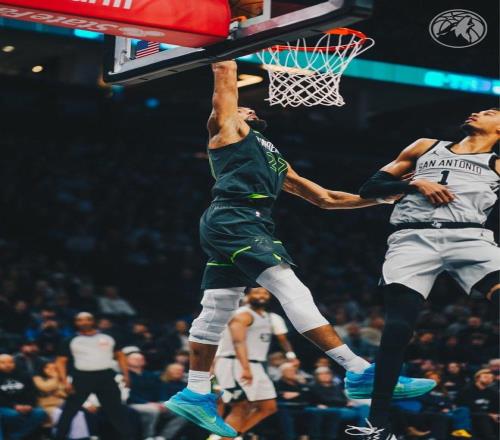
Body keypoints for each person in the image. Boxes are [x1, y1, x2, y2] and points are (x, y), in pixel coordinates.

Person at [164, 59, 433, 438]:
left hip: (241, 222)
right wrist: (231, 46)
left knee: (216, 308)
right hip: (237, 217)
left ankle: (195, 392)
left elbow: (325, 198)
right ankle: (357, 370)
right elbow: (224, 74)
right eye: (242, 105)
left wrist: (381, 198)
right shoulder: (226, 129)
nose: (247, 108)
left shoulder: (272, 156)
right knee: (292, 290)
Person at [346, 108, 500, 438]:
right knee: (397, 329)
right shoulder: (425, 146)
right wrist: (417, 183)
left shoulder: (496, 163)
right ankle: (377, 425)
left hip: (470, 237)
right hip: (412, 238)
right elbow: (370, 188)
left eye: (489, 112)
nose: (476, 112)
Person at [210, 287, 295, 440]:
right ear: (247, 296)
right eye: (256, 292)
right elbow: (238, 342)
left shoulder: (270, 317)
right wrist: (245, 368)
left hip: (256, 364)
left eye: (265, 292)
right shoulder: (242, 315)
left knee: (268, 407)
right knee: (240, 405)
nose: (261, 295)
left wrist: (291, 355)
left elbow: (283, 339)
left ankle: (231, 436)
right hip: (234, 363)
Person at [54, 311, 133, 440]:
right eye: (80, 320)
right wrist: (64, 381)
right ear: (76, 323)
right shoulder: (70, 340)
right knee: (70, 411)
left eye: (88, 319)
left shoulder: (108, 337)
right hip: (82, 377)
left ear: (93, 321)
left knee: (117, 411)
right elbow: (60, 362)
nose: (84, 322)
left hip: (106, 376)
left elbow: (120, 355)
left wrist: (126, 374)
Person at [126, 351, 187, 440]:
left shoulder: (150, 375)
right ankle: (148, 436)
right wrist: (147, 403)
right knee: (153, 410)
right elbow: (128, 394)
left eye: (141, 358)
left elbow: (160, 389)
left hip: (155, 403)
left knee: (183, 412)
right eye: (135, 359)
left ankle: (163, 437)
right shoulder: (125, 376)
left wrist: (163, 402)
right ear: (127, 360)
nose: (138, 360)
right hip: (134, 403)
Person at [306, 366, 369, 440]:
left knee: (364, 407)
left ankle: (362, 434)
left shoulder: (336, 386)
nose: (325, 375)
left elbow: (343, 399)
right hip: (330, 409)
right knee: (338, 412)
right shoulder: (312, 387)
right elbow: (314, 401)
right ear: (316, 376)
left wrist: (348, 402)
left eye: (327, 373)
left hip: (343, 408)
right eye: (322, 374)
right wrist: (317, 405)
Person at [33, 361, 91, 438]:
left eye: (54, 368)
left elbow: (65, 394)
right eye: (48, 368)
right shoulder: (37, 378)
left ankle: (81, 438)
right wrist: (55, 377)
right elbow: (46, 387)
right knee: (62, 416)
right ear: (42, 369)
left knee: (79, 414)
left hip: (62, 405)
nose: (51, 370)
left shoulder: (61, 379)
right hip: (47, 407)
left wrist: (59, 383)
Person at [0, 354, 47, 439]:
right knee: (13, 414)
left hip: (24, 406)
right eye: (3, 362)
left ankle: (15, 436)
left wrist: (29, 405)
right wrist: (14, 406)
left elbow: (32, 392)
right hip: (4, 407)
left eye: (10, 362)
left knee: (40, 413)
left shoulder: (24, 375)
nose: (7, 365)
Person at [457, 369, 499, 440]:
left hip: (489, 415)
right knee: (482, 417)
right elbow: (468, 407)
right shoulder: (467, 390)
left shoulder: (493, 392)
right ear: (477, 378)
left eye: (491, 378)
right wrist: (489, 415)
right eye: (486, 377)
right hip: (470, 414)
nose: (489, 379)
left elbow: (496, 406)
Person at [275, 362, 312, 440]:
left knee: (311, 412)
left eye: (293, 370)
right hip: (285, 408)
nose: (292, 372)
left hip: (301, 407)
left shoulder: (300, 383)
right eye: (288, 371)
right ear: (282, 372)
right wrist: (298, 394)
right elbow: (279, 395)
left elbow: (310, 395)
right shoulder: (277, 383)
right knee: (286, 415)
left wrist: (298, 394)